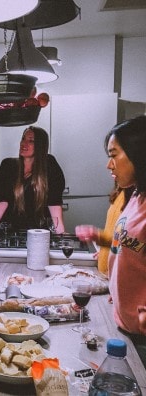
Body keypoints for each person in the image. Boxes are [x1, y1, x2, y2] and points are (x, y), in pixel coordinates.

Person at [106, 115, 146, 367]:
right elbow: (129, 247)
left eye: (114, 154)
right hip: (125, 330)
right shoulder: (136, 196)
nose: (109, 165)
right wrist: (118, 290)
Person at [0, 126, 66, 234]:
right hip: (10, 232)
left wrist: (60, 234)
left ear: (40, 146)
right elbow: (1, 202)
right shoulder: (8, 166)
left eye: (31, 141)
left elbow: (54, 204)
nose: (24, 143)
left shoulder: (49, 165)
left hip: (39, 233)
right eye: (23, 139)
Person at [75, 184, 134, 275]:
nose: (109, 168)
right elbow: (116, 234)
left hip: (122, 278)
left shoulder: (139, 199)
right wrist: (104, 252)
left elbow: (136, 246)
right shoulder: (121, 191)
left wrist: (100, 237)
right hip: (107, 275)